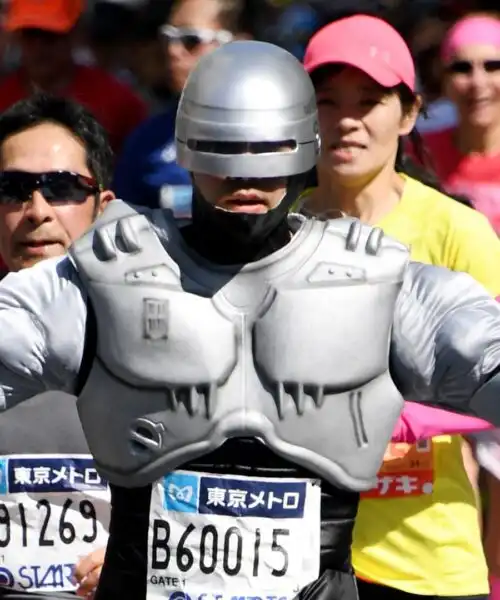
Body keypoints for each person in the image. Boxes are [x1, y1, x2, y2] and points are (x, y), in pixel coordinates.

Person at [1, 40, 500, 600]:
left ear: (302, 150)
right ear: (189, 148)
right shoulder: (102, 281)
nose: (245, 178)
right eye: (223, 148)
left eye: (268, 149)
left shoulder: (376, 282)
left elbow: (478, 344)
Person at [300, 14, 499, 600]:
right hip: (300, 557)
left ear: (409, 113)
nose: (348, 119)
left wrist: (407, 414)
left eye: (370, 100)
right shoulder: (276, 232)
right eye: (328, 100)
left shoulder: (458, 231)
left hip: (430, 564)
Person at [0, 94, 115, 599]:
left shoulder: (172, 342)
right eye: (14, 189)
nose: (37, 211)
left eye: (63, 187)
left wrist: (138, 556)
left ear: (103, 206)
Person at [112, 0, 254, 214]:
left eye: (191, 40)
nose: (172, 51)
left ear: (239, 45)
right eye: (167, 38)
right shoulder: (146, 141)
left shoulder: (279, 132)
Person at [0, 0, 148, 155]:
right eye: (30, 34)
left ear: (75, 34)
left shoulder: (118, 101)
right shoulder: (4, 99)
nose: (39, 48)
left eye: (50, 36)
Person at [422, 14, 500, 233]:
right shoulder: (419, 156)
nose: (478, 81)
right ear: (444, 80)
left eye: (492, 66)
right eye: (462, 68)